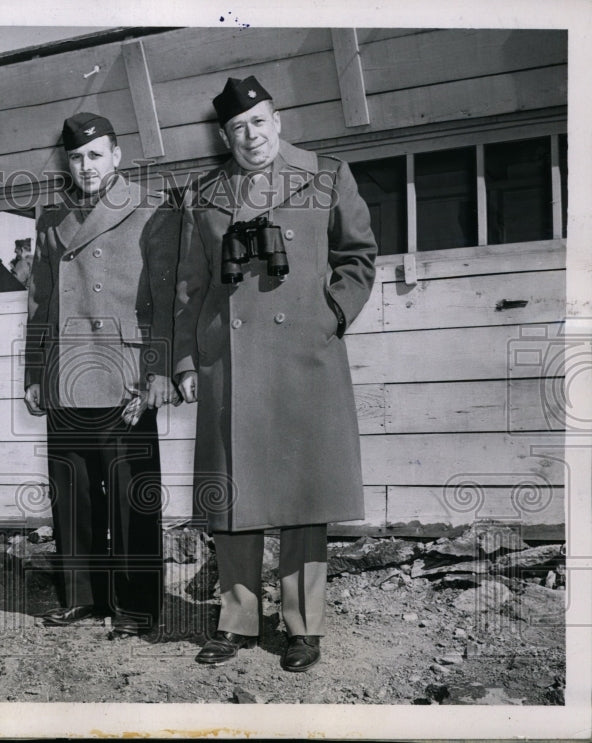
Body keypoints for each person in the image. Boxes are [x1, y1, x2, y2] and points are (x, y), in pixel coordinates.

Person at [173, 76, 377, 672]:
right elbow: (189, 286)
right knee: (234, 494)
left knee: (303, 493)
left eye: (259, 121)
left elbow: (357, 255)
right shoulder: (204, 193)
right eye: (238, 128)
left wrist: (331, 313)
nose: (250, 135)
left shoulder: (325, 174)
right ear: (223, 136)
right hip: (230, 361)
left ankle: (303, 626)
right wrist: (187, 359)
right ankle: (236, 620)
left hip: (303, 357)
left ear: (277, 120)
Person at [24, 112, 180, 639]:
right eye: (75, 157)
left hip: (124, 372)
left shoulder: (150, 208)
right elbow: (40, 303)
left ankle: (137, 606)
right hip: (66, 371)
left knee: (131, 494)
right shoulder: (51, 219)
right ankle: (83, 597)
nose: (85, 166)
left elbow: (166, 304)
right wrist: (34, 372)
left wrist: (156, 374)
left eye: (95, 155)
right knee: (73, 494)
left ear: (117, 156)